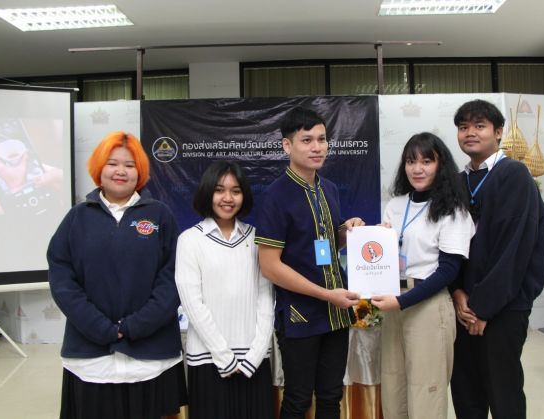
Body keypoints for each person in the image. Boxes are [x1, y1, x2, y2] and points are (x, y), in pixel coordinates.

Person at [47, 132, 187, 419]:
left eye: (129, 165)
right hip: (91, 354)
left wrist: (134, 326)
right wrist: (101, 328)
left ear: (140, 171)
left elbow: (173, 277)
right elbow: (62, 279)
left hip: (150, 354)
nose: (121, 171)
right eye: (112, 163)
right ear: (99, 168)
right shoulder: (77, 218)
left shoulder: (160, 215)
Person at [254, 106, 364, 419]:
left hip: (337, 314)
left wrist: (347, 231)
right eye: (307, 140)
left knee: (331, 397)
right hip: (300, 315)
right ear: (287, 145)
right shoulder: (275, 196)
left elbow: (324, 244)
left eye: (322, 139)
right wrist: (326, 294)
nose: (317, 147)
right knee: (298, 399)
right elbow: (270, 266)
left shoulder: (328, 188)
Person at [449, 99, 544, 419]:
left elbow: (513, 250)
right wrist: (458, 293)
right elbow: (449, 246)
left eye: (480, 126)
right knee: (466, 393)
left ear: (499, 132)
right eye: (464, 127)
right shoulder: (458, 181)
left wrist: (483, 307)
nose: (470, 133)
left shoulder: (514, 175)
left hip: (504, 306)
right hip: (464, 307)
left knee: (503, 393)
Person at [371, 132, 475, 419]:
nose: (417, 169)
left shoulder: (452, 210)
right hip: (393, 302)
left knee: (426, 393)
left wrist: (401, 302)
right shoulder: (395, 205)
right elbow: (382, 257)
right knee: (393, 390)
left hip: (427, 305)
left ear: (441, 165)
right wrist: (371, 238)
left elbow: (448, 271)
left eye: (427, 161)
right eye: (411, 161)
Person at [175, 160, 275, 419]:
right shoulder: (190, 240)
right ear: (207, 192)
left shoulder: (257, 238)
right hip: (208, 360)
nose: (228, 198)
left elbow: (266, 298)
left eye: (236, 191)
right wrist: (223, 355)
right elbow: (192, 304)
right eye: (219, 190)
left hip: (253, 361)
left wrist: (256, 354)